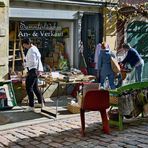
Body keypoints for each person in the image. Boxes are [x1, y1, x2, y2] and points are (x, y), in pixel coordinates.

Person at [22, 38, 44, 111]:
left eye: (24, 45)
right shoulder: (34, 48)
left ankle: (31, 106)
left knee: (29, 88)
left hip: (33, 70)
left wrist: (27, 67)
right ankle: (41, 103)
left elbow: (33, 62)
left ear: (27, 43)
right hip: (34, 70)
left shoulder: (32, 50)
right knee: (35, 88)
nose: (24, 47)